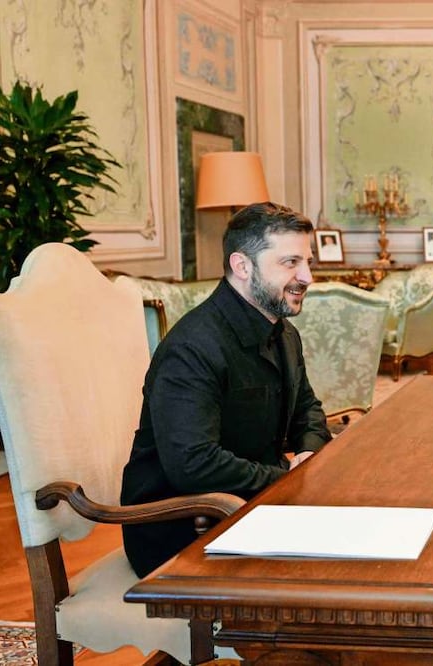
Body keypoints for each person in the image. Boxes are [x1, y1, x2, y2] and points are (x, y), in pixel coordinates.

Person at [121, 202, 332, 577]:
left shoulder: (284, 333)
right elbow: (194, 465)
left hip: (251, 508)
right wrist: (288, 476)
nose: (307, 277)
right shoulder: (192, 348)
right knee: (335, 570)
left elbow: (308, 411)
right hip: (181, 530)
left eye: (307, 262)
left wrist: (307, 454)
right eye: (290, 263)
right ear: (242, 266)